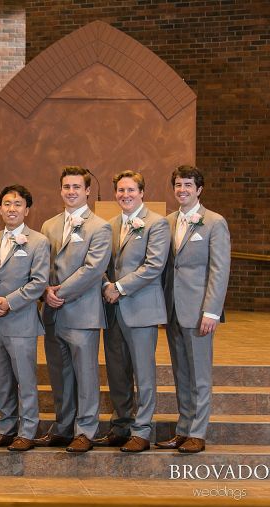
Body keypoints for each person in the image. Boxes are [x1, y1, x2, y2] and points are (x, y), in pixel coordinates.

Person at [36, 166, 111, 453]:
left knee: (86, 374)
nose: (71, 192)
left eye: (76, 187)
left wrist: (59, 293)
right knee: (59, 374)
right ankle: (64, 427)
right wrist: (44, 291)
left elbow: (93, 270)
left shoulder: (99, 227)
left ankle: (86, 430)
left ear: (87, 190)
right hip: (53, 313)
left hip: (82, 312)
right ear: (61, 190)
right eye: (66, 187)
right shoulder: (49, 225)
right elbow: (40, 266)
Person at [94, 171, 170, 453]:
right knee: (117, 372)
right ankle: (121, 425)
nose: (125, 195)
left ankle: (142, 429)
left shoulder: (156, 224)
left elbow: (154, 266)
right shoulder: (109, 225)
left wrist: (119, 287)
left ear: (141, 192)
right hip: (112, 309)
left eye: (131, 190)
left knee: (143, 373)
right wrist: (105, 286)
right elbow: (99, 263)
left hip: (140, 309)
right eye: (121, 190)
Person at [157, 165, 230, 454]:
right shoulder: (168, 221)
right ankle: (183, 429)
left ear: (199, 189)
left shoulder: (214, 222)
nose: (182, 190)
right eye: (178, 185)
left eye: (188, 185)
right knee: (181, 374)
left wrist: (212, 310)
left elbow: (219, 269)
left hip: (199, 311)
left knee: (199, 374)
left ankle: (198, 432)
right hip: (173, 308)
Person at [0, 185, 49, 452]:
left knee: (25, 380)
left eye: (18, 204)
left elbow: (39, 282)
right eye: (7, 203)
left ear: (27, 209)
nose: (12, 209)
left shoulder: (39, 241)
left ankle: (28, 430)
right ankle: (5, 429)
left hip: (21, 322)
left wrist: (10, 301)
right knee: (2, 379)